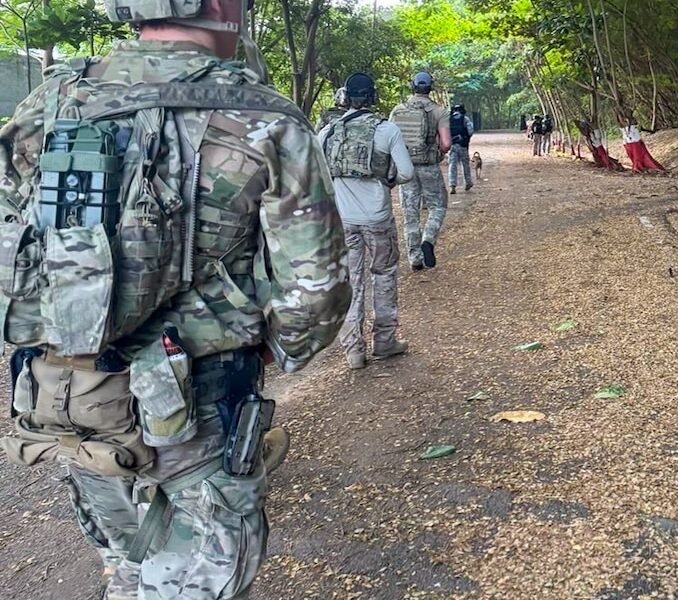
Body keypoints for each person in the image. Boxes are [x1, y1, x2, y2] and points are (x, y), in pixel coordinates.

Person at [0, 0, 351, 595]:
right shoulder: (262, 117)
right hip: (199, 401)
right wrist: (277, 350)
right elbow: (314, 288)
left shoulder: (51, 101)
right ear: (216, 5)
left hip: (72, 396)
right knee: (194, 578)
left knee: (129, 564)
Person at [318, 72, 414, 370]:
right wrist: (387, 180)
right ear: (372, 98)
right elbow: (407, 173)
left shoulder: (327, 132)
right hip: (378, 218)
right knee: (383, 275)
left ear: (345, 98)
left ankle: (354, 351)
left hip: (343, 220)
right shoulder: (386, 130)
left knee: (352, 281)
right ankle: (384, 341)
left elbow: (316, 174)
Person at [389, 71, 451, 270]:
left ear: (412, 86)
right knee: (438, 206)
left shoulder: (397, 110)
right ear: (430, 87)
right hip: (429, 166)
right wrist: (438, 151)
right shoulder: (438, 111)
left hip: (405, 168)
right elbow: (446, 144)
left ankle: (414, 257)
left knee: (410, 212)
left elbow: (390, 140)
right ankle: (428, 240)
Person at [448, 103, 474, 194]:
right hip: (463, 145)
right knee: (465, 164)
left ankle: (452, 185)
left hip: (452, 146)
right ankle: (468, 182)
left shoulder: (449, 119)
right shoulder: (465, 119)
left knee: (452, 165)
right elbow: (470, 131)